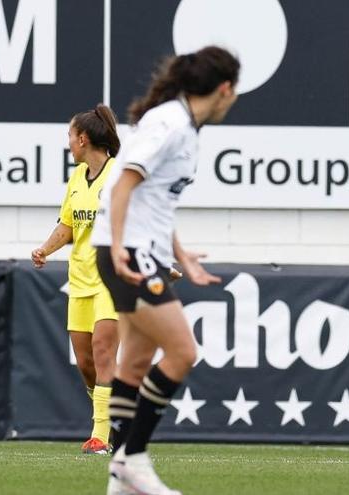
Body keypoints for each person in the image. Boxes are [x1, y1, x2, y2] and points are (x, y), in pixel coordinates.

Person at [91, 45, 240, 495]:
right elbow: (123, 184)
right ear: (224, 89)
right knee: (182, 352)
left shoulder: (183, 125)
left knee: (134, 364)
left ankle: (120, 479)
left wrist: (179, 252)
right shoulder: (170, 123)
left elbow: (155, 199)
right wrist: (120, 248)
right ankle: (132, 457)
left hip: (141, 251)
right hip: (129, 253)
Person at [31, 104, 121, 455]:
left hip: (111, 278)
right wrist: (45, 249)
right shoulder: (76, 178)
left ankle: (101, 434)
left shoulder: (118, 175)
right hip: (79, 278)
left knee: (102, 352)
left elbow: (142, 217)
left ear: (83, 139)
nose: (68, 143)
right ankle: (109, 410)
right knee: (86, 363)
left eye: (70, 136)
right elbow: (68, 225)